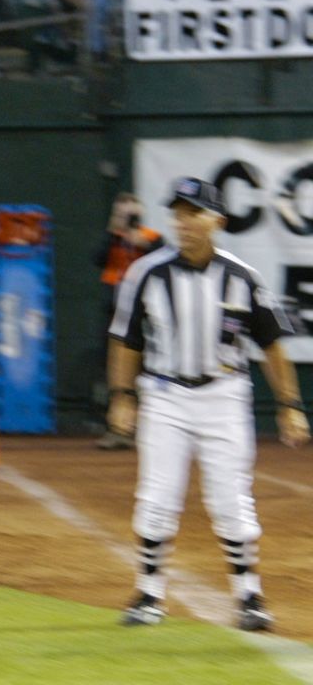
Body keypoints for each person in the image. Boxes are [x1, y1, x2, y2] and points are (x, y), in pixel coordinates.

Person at [107, 176, 310, 631]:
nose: (184, 223)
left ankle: (249, 596)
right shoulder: (147, 273)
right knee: (157, 496)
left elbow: (272, 345)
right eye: (178, 213)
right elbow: (125, 341)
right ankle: (148, 594)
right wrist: (122, 396)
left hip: (224, 394)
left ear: (217, 220)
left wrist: (290, 404)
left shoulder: (241, 276)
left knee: (231, 498)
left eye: (193, 213)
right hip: (165, 394)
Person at [94, 192, 163, 450]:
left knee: (147, 372)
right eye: (123, 212)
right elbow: (98, 259)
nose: (129, 218)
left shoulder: (151, 238)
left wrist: (140, 242)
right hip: (115, 312)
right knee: (115, 371)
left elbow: (162, 257)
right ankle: (117, 427)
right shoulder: (113, 239)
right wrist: (115, 231)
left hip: (146, 315)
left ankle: (145, 429)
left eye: (132, 213)